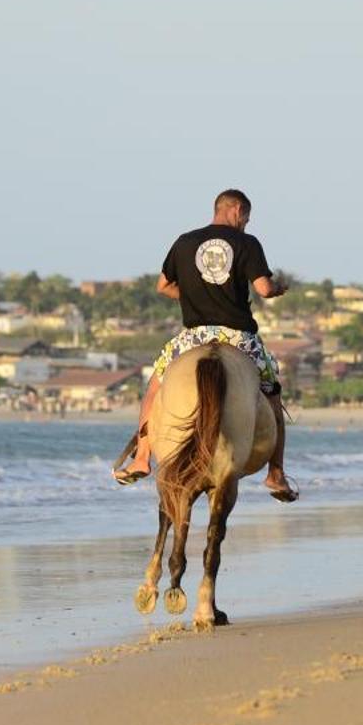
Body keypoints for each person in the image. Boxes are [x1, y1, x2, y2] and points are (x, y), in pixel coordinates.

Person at [112, 188, 298, 502]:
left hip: (194, 336)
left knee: (155, 386)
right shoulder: (247, 243)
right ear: (237, 209)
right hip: (239, 337)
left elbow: (163, 286)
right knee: (272, 389)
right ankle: (275, 474)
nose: (246, 225)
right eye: (246, 219)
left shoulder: (185, 241)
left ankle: (142, 457)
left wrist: (197, 296)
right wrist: (279, 287)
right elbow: (264, 289)